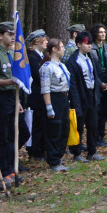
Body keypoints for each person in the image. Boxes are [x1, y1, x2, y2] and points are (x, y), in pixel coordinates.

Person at [0, 21, 22, 187]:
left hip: (11, 97)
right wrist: (9, 81)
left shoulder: (11, 53)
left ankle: (10, 168)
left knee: (12, 135)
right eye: (9, 34)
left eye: (14, 34)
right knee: (2, 136)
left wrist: (18, 101)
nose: (13, 37)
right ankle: (2, 169)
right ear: (0, 35)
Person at [66, 30, 104, 163]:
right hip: (80, 97)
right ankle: (77, 153)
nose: (89, 46)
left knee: (93, 125)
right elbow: (73, 85)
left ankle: (92, 151)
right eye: (86, 43)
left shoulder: (91, 58)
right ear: (78, 44)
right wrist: (76, 103)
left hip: (91, 95)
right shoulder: (73, 61)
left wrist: (99, 87)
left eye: (90, 43)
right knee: (79, 126)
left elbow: (95, 76)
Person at [40, 37, 72, 172]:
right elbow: (45, 88)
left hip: (64, 98)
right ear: (54, 49)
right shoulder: (47, 67)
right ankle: (53, 160)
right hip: (54, 99)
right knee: (54, 129)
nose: (64, 49)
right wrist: (49, 108)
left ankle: (59, 157)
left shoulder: (61, 65)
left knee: (64, 128)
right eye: (62, 46)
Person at [26, 29, 48, 162]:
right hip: (35, 96)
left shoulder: (40, 56)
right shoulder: (32, 57)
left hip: (41, 95)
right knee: (36, 124)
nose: (46, 42)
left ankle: (40, 149)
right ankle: (35, 151)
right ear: (36, 42)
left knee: (41, 123)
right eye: (44, 40)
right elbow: (38, 75)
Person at [91, 23, 107, 147]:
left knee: (105, 111)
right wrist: (99, 83)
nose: (103, 34)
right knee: (97, 111)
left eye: (104, 32)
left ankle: (102, 136)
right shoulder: (91, 48)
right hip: (97, 83)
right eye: (100, 32)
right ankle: (96, 138)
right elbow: (92, 70)